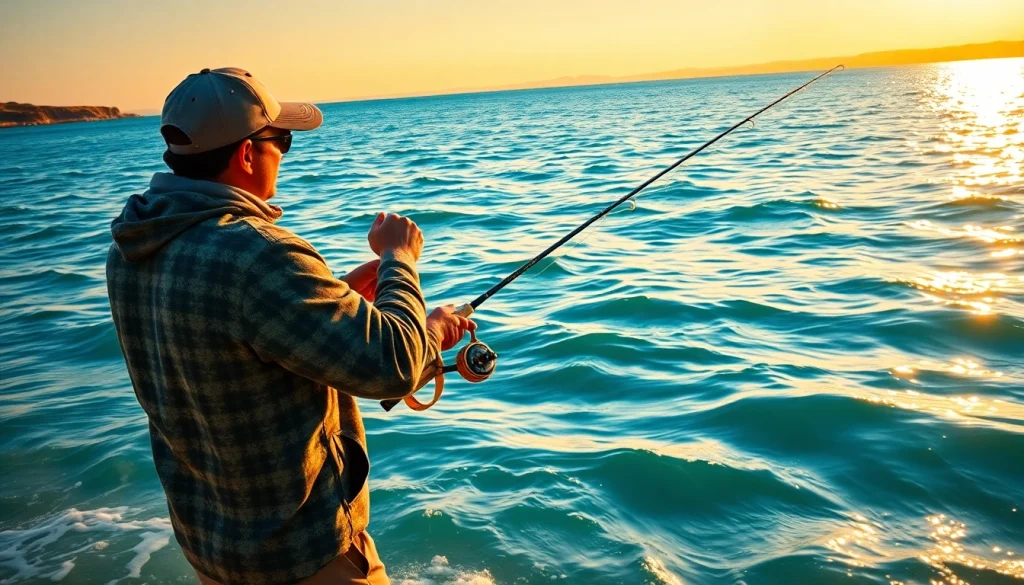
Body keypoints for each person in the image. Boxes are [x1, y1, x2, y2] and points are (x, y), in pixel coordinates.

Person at [106, 67, 474, 585]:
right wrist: (399, 261)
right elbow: (393, 365)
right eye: (282, 140)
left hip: (210, 546)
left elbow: (223, 338)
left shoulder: (131, 247)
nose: (285, 151)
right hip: (304, 558)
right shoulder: (260, 254)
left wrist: (332, 296)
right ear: (247, 153)